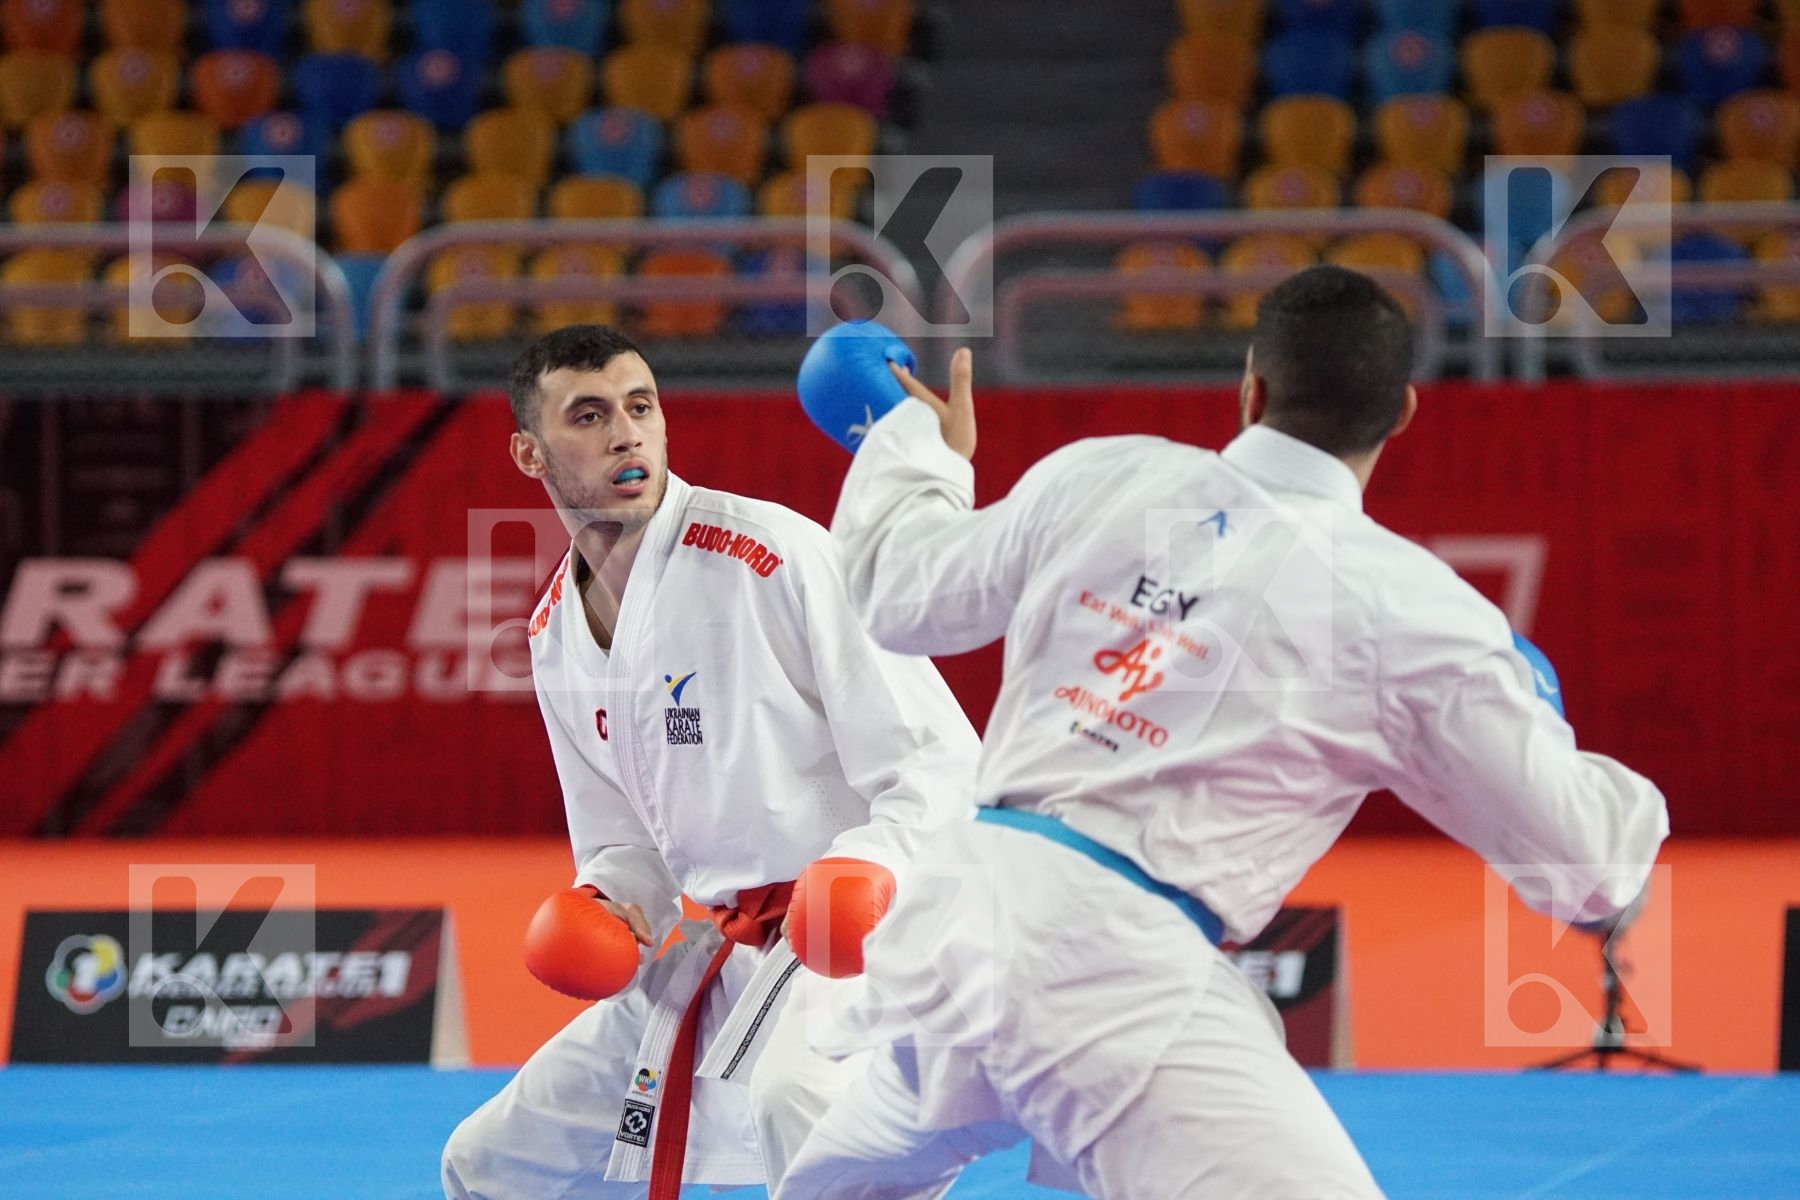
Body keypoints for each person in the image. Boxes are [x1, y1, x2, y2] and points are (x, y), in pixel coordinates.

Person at [776, 267, 1672, 1199]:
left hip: (960, 922)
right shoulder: (1416, 611)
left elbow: (896, 594)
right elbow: (1594, 870)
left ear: (1253, 386)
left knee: (840, 1186)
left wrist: (908, 441)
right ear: (1403, 412)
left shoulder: (1104, 472)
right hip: (1109, 967)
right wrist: (1536, 718)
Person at [440, 324, 982, 1199]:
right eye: (589, 415)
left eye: (640, 406)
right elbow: (626, 845)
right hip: (730, 943)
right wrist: (610, 906)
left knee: (804, 1101)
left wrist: (868, 870)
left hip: (868, 935)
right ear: (529, 455)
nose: (626, 433)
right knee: (491, 1159)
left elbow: (941, 766)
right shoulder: (553, 634)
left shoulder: (769, 555)